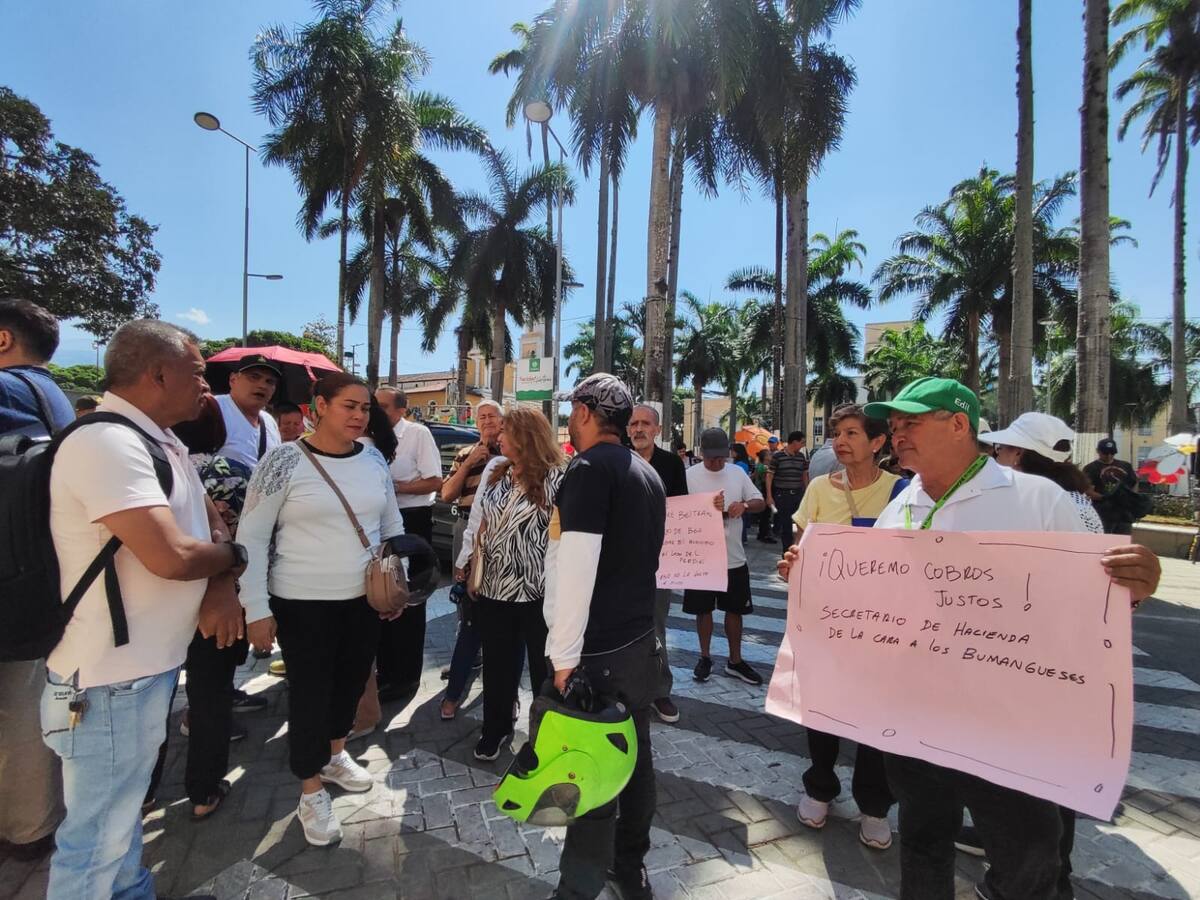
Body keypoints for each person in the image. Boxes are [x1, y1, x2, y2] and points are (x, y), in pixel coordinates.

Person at [779, 376, 1161, 900]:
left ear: (959, 425)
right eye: (893, 426)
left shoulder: (1038, 498)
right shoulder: (900, 507)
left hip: (1008, 731)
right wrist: (812, 573)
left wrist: (1137, 584)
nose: (897, 434)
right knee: (923, 843)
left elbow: (1100, 594)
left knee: (1027, 861)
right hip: (914, 724)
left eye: (910, 423)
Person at [43, 319, 246, 897]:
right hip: (105, 679)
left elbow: (206, 516)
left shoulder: (161, 441)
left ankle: (130, 889)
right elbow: (175, 556)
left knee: (119, 814)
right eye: (200, 374)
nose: (209, 388)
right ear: (158, 373)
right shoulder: (107, 442)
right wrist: (236, 554)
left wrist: (220, 574)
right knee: (95, 832)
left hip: (141, 671)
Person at [237, 373, 405, 847]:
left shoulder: (372, 457)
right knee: (310, 694)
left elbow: (389, 525)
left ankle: (334, 754)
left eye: (365, 408)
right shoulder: (283, 461)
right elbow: (249, 537)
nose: (358, 415)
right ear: (320, 406)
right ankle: (310, 789)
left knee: (350, 686)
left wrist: (394, 586)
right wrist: (255, 607)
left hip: (363, 601)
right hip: (302, 602)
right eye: (348, 406)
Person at [545, 373, 668, 900]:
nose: (570, 418)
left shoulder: (590, 468)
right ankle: (629, 866)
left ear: (586, 412)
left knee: (589, 776)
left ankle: (578, 888)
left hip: (598, 653)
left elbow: (576, 569)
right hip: (639, 644)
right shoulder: (645, 471)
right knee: (636, 761)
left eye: (574, 408)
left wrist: (563, 658)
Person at [972, 411, 1104, 893]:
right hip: (1050, 657)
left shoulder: (1046, 501)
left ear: (1021, 456)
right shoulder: (1078, 500)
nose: (998, 457)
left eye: (1004, 450)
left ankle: (1039, 875)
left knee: (1035, 780)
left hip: (1040, 658)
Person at [787, 404, 906, 851]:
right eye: (837, 433)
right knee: (822, 712)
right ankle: (820, 787)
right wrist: (790, 563)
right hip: (826, 624)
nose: (840, 440)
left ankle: (874, 806)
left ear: (878, 443)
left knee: (875, 719)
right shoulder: (819, 487)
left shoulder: (902, 492)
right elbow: (799, 545)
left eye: (852, 433)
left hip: (882, 629)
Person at [0, 299, 71, 862]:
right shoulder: (54, 398)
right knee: (27, 703)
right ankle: (33, 822)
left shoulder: (8, 392)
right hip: (42, 575)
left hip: (13, 573)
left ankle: (27, 826)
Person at [455, 407, 565, 760]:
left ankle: (545, 739)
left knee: (540, 671)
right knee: (498, 667)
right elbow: (481, 525)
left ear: (526, 436)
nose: (498, 436)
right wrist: (472, 569)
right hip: (494, 590)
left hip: (539, 593)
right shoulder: (496, 473)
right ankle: (496, 729)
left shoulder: (558, 478)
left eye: (505, 431)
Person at [684, 428, 767, 686]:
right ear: (701, 453)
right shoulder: (689, 476)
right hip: (702, 557)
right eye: (711, 458)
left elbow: (759, 501)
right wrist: (707, 509)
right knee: (703, 610)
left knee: (735, 610)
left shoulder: (737, 473)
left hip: (733, 557)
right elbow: (678, 511)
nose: (716, 463)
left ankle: (735, 660)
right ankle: (705, 656)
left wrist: (743, 506)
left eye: (721, 457)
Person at [375, 387, 442, 701]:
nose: (375, 411)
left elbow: (434, 481)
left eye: (382, 406)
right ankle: (385, 671)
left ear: (401, 409)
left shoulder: (417, 435)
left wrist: (395, 487)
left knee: (410, 598)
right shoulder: (369, 436)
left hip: (412, 520)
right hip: (378, 524)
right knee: (383, 595)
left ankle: (405, 678)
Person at [439, 400, 503, 720]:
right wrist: (469, 463)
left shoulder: (510, 454)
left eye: (493, 416)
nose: (487, 421)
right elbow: (446, 494)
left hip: (501, 532)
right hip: (467, 524)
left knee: (496, 604)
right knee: (465, 596)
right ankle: (467, 658)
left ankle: (497, 678)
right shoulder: (466, 454)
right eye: (482, 417)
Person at [627, 404, 685, 724]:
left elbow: (683, 510)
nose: (638, 429)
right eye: (633, 423)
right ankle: (626, 688)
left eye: (645, 423)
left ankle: (660, 690)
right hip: (621, 564)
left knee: (656, 625)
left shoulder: (672, 464)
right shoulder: (618, 459)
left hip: (661, 562)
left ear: (657, 430)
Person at [214, 354, 282, 470]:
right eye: (254, 377)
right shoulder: (213, 409)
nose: (262, 385)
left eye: (269, 381)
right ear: (233, 379)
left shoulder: (269, 421)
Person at [1083, 437, 1141, 535]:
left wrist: (1133, 499)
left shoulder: (1125, 465)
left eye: (1112, 453)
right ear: (1098, 451)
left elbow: (1134, 483)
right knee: (1103, 541)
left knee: (1123, 542)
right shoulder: (1091, 468)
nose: (1109, 456)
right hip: (1103, 513)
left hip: (1124, 513)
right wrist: (1106, 498)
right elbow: (1088, 491)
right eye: (1105, 453)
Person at [767, 430, 808, 555]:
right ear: (794, 442)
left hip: (798, 494)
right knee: (786, 527)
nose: (803, 445)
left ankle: (800, 550)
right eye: (802, 442)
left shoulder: (801, 457)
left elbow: (805, 475)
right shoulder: (778, 457)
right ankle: (787, 553)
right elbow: (769, 476)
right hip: (782, 495)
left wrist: (807, 492)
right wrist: (769, 496)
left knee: (802, 524)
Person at [753, 448, 775, 542]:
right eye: (769, 454)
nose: (771, 456)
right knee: (766, 515)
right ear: (765, 457)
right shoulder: (764, 468)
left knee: (764, 515)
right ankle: (764, 534)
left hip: (761, 491)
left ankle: (762, 534)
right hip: (764, 492)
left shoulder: (759, 465)